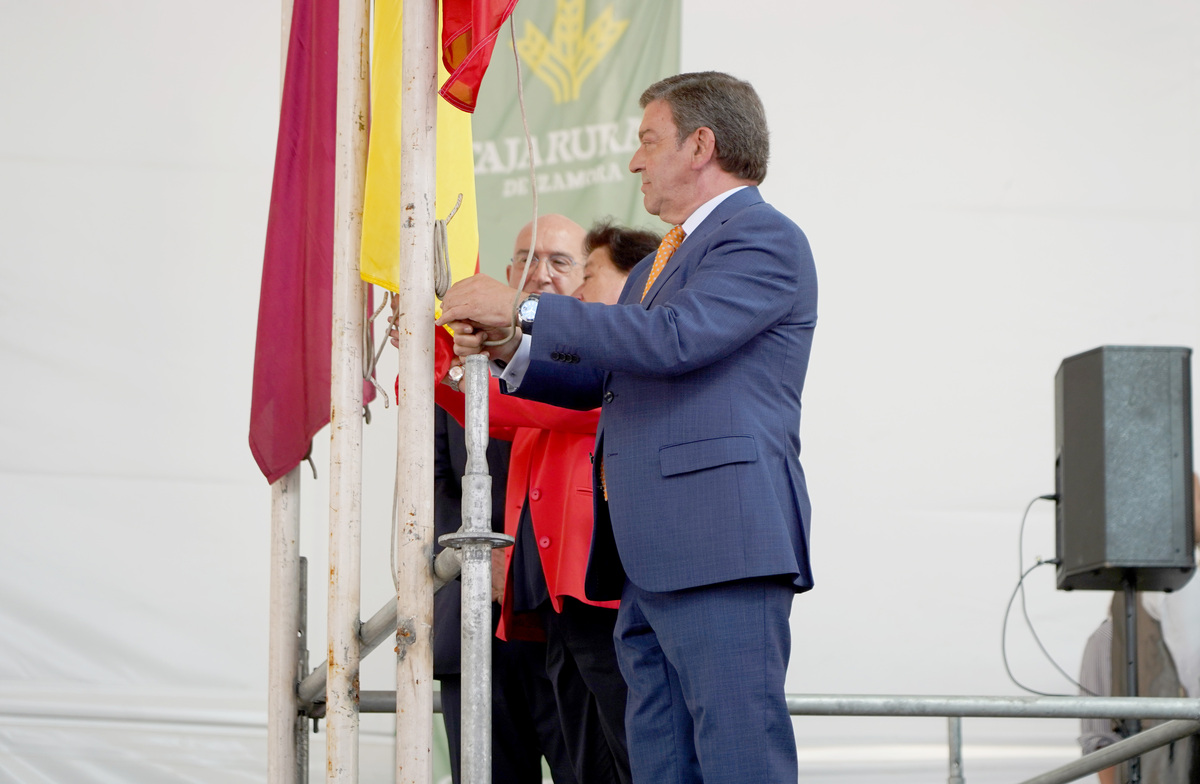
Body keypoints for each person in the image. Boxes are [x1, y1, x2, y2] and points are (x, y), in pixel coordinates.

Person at [438, 72, 818, 784]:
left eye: (649, 140)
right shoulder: (660, 266)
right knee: (660, 762)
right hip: (645, 559)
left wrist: (523, 311)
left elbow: (675, 340)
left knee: (738, 756)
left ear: (700, 146)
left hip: (720, 546)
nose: (635, 161)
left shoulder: (763, 239)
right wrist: (506, 346)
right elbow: (605, 376)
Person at [433, 217, 658, 784]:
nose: (574, 292)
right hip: (550, 604)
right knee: (589, 762)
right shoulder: (557, 366)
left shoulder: (624, 364)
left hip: (599, 596)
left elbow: (513, 404)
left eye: (586, 278)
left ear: (640, 286)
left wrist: (438, 349)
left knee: (624, 760)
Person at [432, 407, 577, 784]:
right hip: (470, 618)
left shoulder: (565, 350)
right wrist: (475, 556)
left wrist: (519, 557)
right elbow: (427, 482)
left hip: (565, 608)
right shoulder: (439, 365)